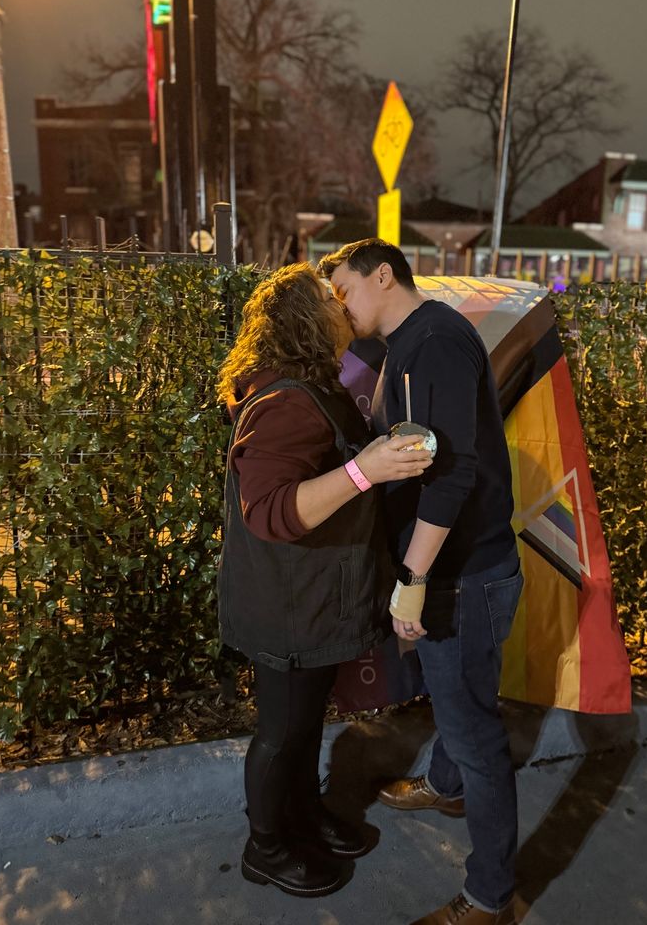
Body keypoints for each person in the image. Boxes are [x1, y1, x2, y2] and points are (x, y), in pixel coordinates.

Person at [317, 240, 523, 925]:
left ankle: (490, 896)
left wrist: (413, 577)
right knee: (457, 695)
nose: (339, 307)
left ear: (384, 276)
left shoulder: (431, 342)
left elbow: (451, 473)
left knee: (474, 730)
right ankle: (445, 784)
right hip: (458, 568)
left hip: (461, 573)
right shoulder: (411, 341)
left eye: (343, 290)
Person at [216, 263, 433, 899]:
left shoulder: (313, 386)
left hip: (309, 600)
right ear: (308, 323)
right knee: (281, 732)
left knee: (304, 724)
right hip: (287, 604)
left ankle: (302, 819)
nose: (345, 307)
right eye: (331, 300)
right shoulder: (285, 402)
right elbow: (272, 512)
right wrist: (365, 471)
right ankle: (266, 845)